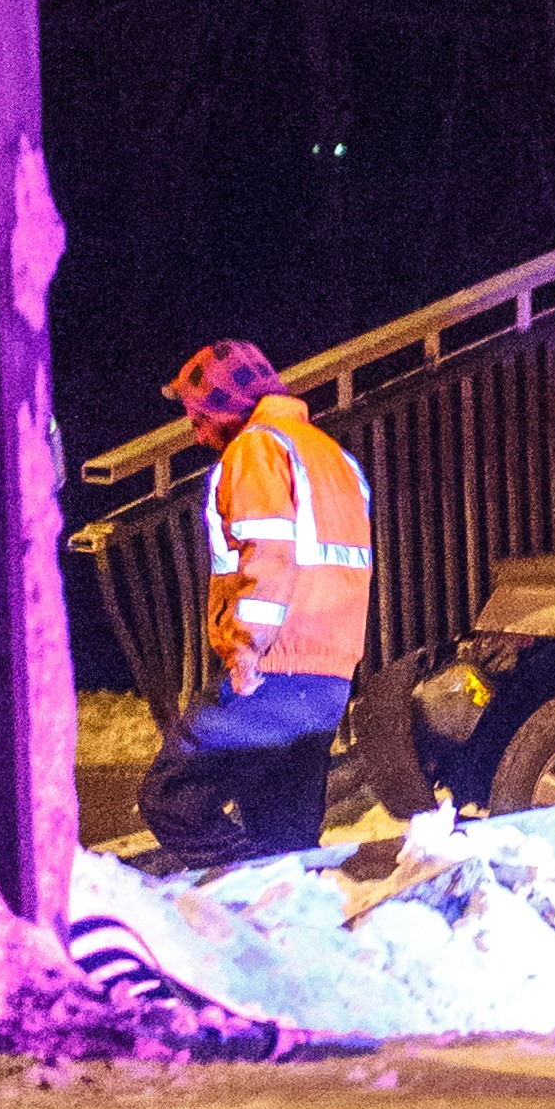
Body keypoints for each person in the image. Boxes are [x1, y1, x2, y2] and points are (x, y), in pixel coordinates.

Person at [135, 339, 376, 869]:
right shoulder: (332, 456)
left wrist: (247, 646)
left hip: (273, 668)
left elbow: (269, 551)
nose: (196, 434)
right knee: (286, 832)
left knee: (172, 798)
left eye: (199, 418)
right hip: (329, 676)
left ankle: (256, 889)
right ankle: (287, 920)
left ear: (225, 408)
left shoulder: (256, 448)